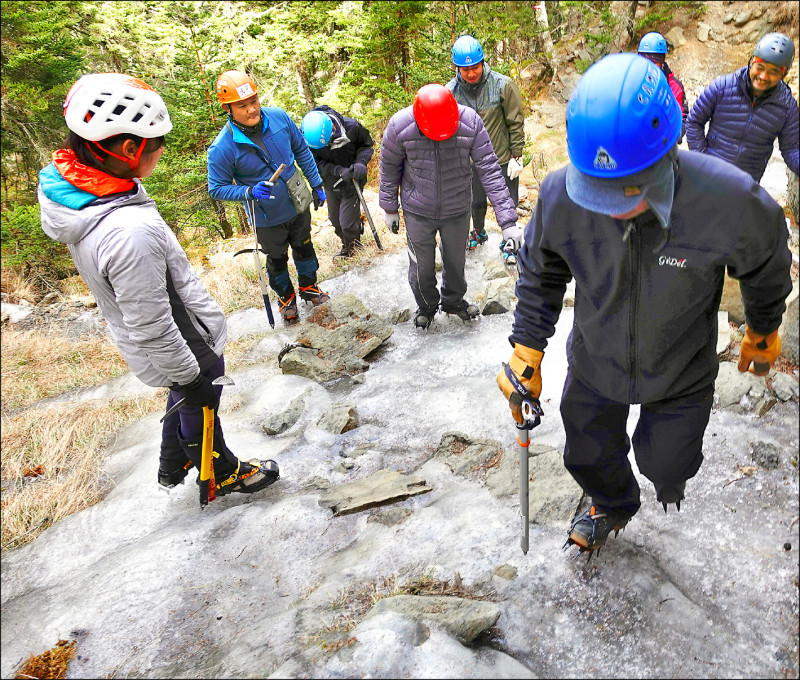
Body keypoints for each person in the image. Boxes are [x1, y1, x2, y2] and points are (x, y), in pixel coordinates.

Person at [496, 53, 792, 556]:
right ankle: (612, 503)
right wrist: (527, 346)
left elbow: (766, 263)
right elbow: (541, 269)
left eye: (627, 190)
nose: (611, 206)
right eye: (598, 189)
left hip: (681, 366)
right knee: (587, 453)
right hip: (596, 357)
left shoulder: (728, 200)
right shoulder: (561, 195)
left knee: (668, 463)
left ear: (669, 151)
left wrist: (763, 328)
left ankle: (665, 479)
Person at [38, 73, 280, 497]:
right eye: (157, 142)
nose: (162, 149)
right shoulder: (128, 231)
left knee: (186, 395)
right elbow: (152, 323)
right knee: (200, 399)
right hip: (182, 338)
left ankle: (172, 463)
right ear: (128, 149)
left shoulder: (86, 191)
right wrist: (189, 374)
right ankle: (220, 473)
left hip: (170, 333)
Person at [379, 83, 521, 329]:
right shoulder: (399, 126)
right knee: (422, 267)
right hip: (417, 210)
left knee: (456, 263)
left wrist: (508, 221)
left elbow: (489, 170)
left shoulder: (470, 122)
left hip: (457, 207)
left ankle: (454, 302)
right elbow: (389, 169)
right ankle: (427, 307)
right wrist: (390, 207)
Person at [207, 70, 329, 326]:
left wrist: (316, 183)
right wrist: (248, 192)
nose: (251, 109)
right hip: (266, 216)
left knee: (305, 246)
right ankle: (286, 299)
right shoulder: (223, 147)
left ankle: (309, 287)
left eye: (253, 101)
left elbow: (301, 149)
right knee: (276, 258)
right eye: (242, 105)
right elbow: (216, 188)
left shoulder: (279, 118)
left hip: (297, 201)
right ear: (228, 108)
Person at [445, 35, 525, 261]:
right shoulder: (450, 92)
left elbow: (515, 121)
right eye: (465, 69)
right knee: (474, 200)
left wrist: (517, 155)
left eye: (475, 67)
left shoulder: (503, 85)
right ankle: (479, 231)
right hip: (468, 160)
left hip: (500, 156)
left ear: (482, 62)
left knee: (507, 199)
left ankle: (509, 238)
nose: (471, 73)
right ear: (457, 68)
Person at [686, 32, 799, 183]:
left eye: (773, 72)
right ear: (752, 62)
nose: (763, 76)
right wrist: (702, 160)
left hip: (745, 184)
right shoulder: (722, 87)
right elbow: (694, 122)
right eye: (760, 67)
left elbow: (791, 149)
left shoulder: (787, 107)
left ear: (784, 74)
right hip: (709, 175)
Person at [300, 106, 374, 259]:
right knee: (335, 220)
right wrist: (338, 171)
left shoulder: (351, 127)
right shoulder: (309, 138)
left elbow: (366, 145)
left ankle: (352, 249)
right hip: (331, 182)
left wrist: (361, 162)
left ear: (332, 127)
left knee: (346, 223)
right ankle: (349, 240)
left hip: (353, 180)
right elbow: (314, 163)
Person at [637, 31, 688, 143]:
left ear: (662, 61)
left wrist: (673, 137)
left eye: (654, 61)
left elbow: (682, 118)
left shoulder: (674, 86)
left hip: (663, 143)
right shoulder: (632, 82)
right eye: (645, 60)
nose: (649, 65)